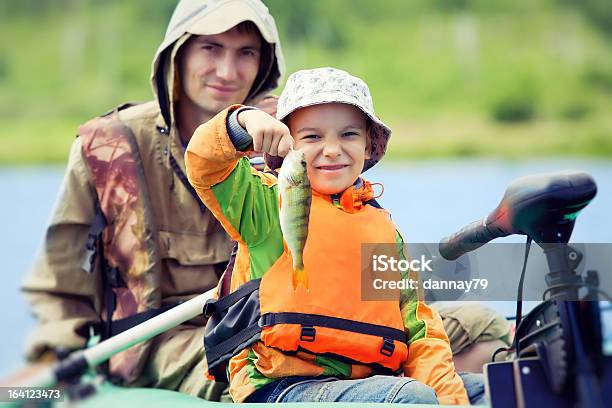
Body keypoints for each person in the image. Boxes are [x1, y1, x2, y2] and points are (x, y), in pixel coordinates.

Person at [19, 0, 284, 400]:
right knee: (260, 371)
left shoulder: (291, 138)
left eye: (246, 53)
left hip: (280, 328)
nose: (228, 72)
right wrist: (54, 367)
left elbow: (355, 229)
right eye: (211, 48)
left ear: (263, 63)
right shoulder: (109, 146)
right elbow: (61, 285)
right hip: (156, 346)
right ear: (178, 55)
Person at [185, 67, 485, 404]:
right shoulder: (265, 204)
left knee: (489, 390)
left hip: (367, 385)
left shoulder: (381, 228)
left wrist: (450, 401)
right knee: (410, 397)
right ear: (287, 147)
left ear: (369, 145)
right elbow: (205, 164)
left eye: (348, 135)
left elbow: (421, 333)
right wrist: (243, 123)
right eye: (312, 137)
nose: (331, 150)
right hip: (282, 389)